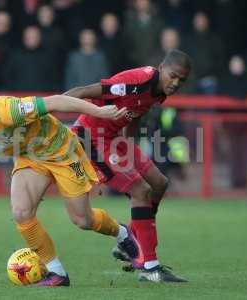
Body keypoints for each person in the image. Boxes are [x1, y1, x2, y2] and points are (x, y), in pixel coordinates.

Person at [0, 92, 141, 287]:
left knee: (83, 220)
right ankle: (57, 273)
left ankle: (122, 233)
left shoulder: (6, 111)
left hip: (63, 151)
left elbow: (55, 102)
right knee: (21, 212)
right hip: (31, 157)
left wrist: (100, 112)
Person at [64, 49, 191, 283]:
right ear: (161, 67)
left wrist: (129, 150)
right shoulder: (136, 82)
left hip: (115, 140)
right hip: (91, 138)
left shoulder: (158, 91)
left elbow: (135, 114)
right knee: (141, 191)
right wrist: (51, 112)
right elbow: (83, 92)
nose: (175, 83)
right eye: (173, 76)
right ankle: (150, 268)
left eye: (181, 80)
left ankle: (131, 241)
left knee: (160, 183)